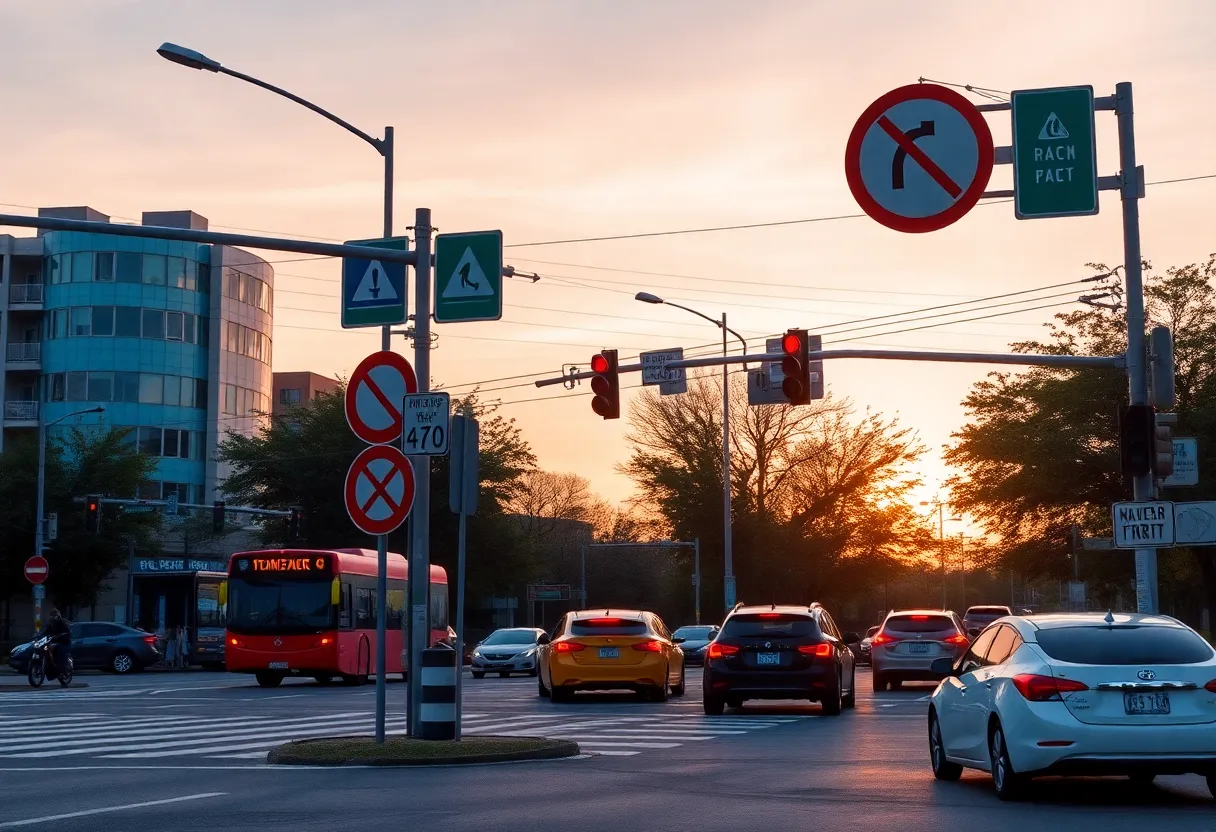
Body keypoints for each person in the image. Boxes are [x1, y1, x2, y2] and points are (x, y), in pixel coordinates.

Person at [40, 609, 72, 675]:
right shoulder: (51, 623)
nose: (53, 617)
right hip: (54, 641)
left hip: (63, 641)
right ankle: (50, 665)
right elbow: (46, 630)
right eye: (52, 615)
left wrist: (62, 635)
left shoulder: (62, 622)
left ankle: (61, 668)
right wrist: (39, 634)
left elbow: (67, 631)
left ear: (58, 615)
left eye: (55, 615)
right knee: (46, 649)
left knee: (59, 652)